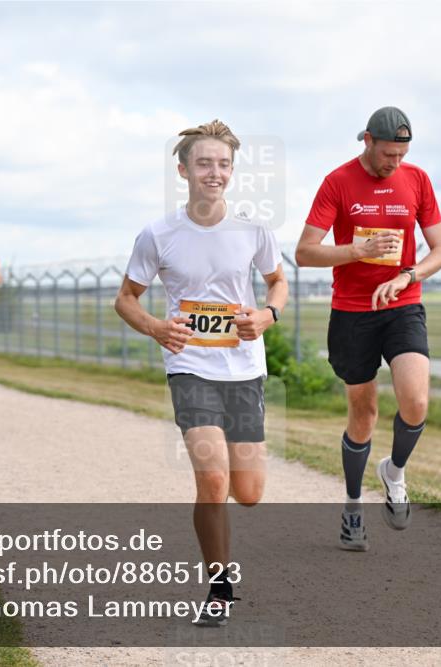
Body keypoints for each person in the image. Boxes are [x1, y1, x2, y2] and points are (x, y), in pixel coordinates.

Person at [115, 120, 288, 626]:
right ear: (184, 169)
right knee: (212, 480)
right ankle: (218, 586)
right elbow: (126, 299)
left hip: (244, 369)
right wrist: (155, 328)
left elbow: (277, 283)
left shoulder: (254, 230)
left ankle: (222, 562)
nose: (215, 172)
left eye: (224, 164)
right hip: (190, 367)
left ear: (232, 171)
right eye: (205, 163)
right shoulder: (159, 234)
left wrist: (267, 315)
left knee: (248, 493)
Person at [294, 107, 441, 551]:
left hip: (402, 304)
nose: (393, 164)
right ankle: (351, 508)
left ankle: (395, 472)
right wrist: (357, 250)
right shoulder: (338, 182)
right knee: (363, 414)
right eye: (387, 154)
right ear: (366, 140)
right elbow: (305, 252)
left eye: (401, 155)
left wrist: (408, 275)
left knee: (416, 400)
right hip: (351, 311)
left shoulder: (417, 180)